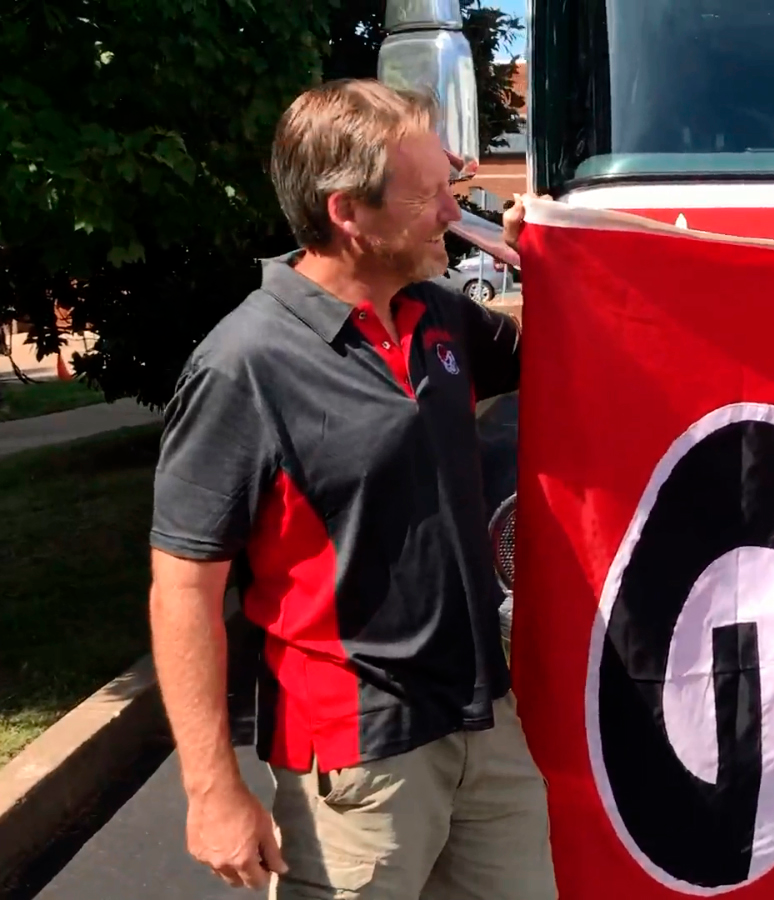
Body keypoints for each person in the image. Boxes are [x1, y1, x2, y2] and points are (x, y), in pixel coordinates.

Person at [147, 78, 557, 899]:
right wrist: (211, 789)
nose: (453, 213)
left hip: (484, 726)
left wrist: (549, 255)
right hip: (355, 762)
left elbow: (566, 345)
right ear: (347, 214)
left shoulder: (438, 316)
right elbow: (183, 589)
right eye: (428, 195)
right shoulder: (245, 365)